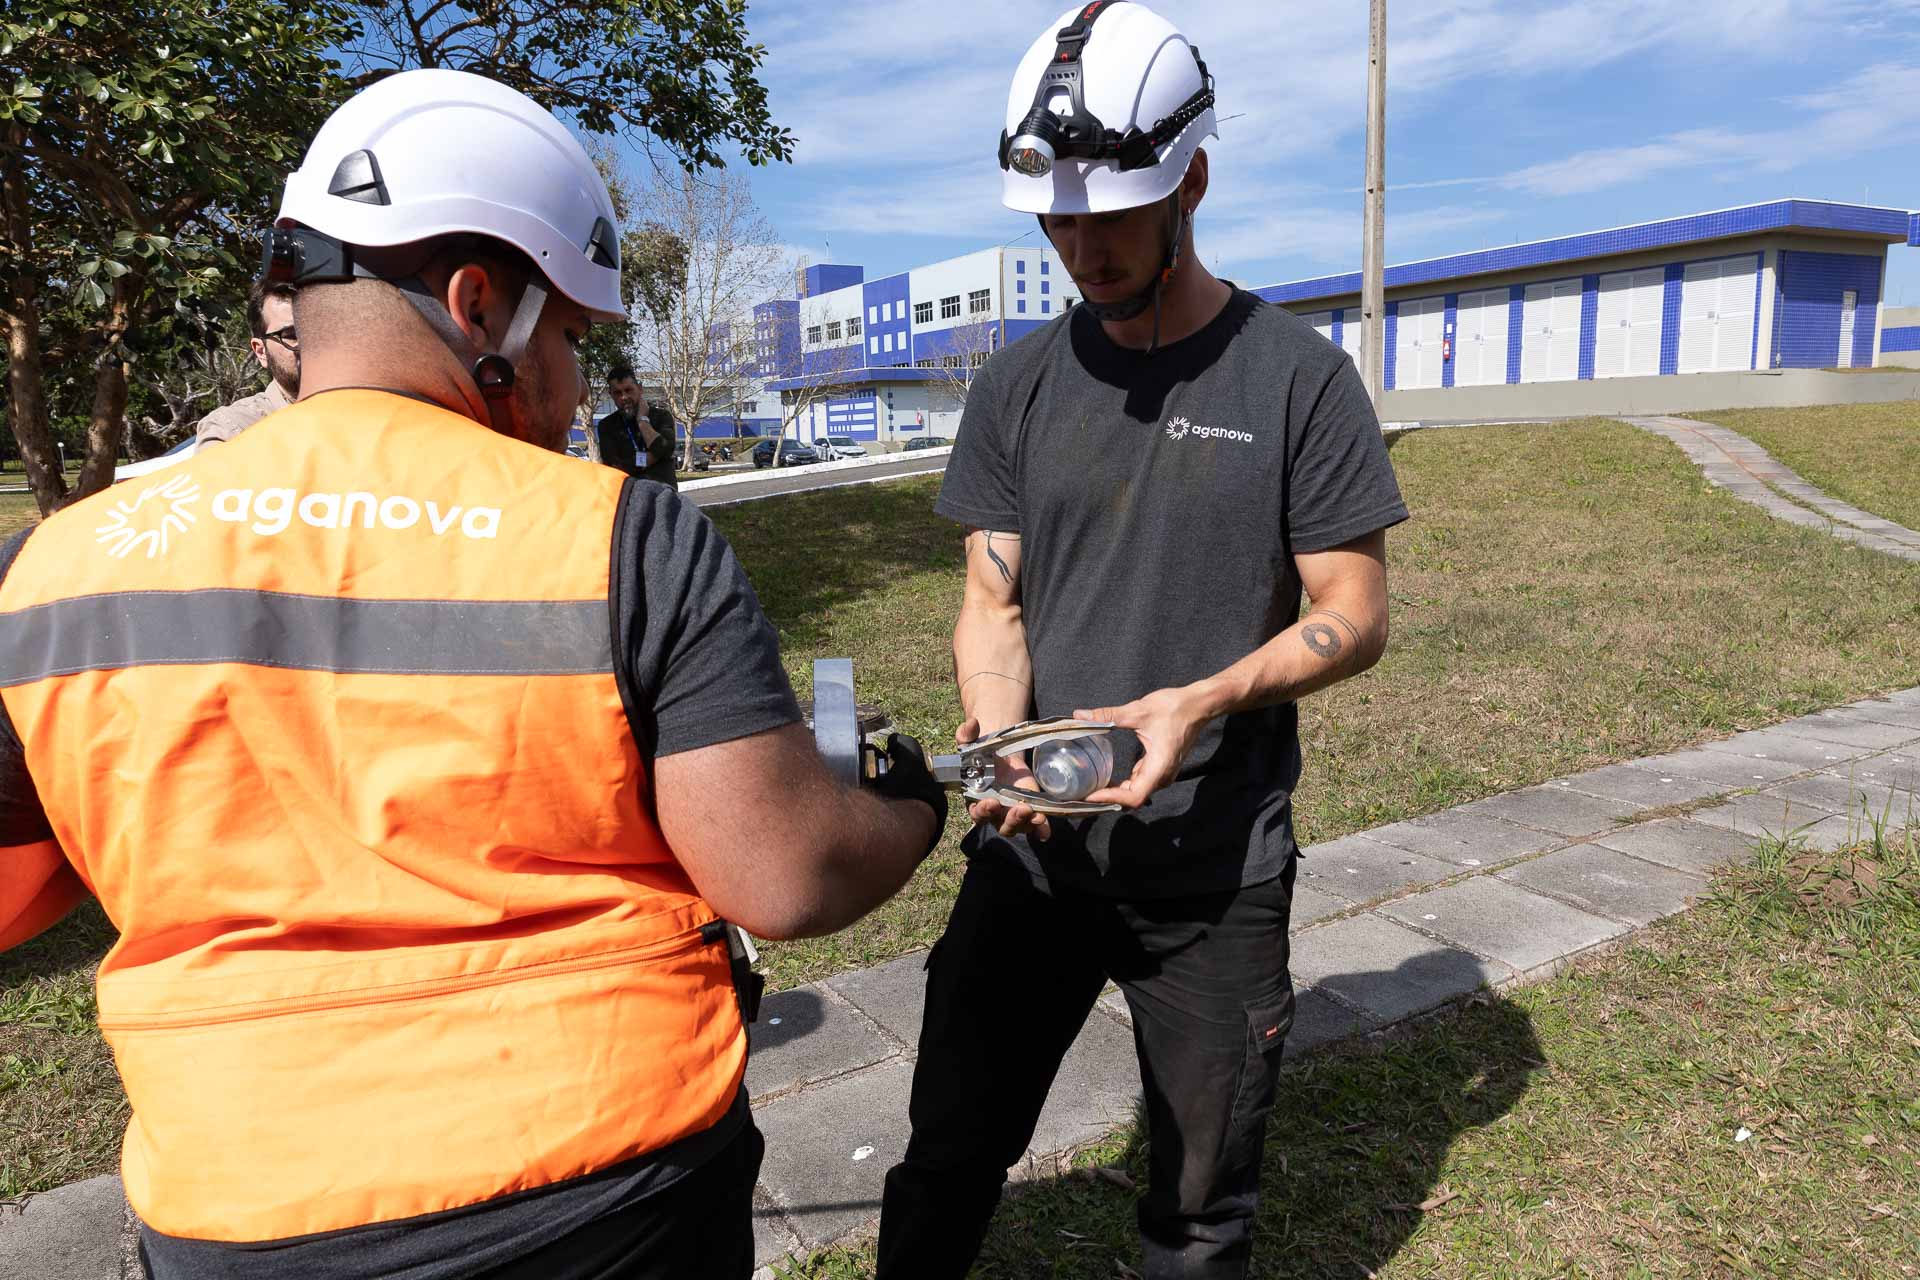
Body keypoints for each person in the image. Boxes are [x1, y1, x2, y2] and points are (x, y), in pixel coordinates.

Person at [0, 68, 945, 1279]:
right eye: (566, 331)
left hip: (234, 1207)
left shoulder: (54, 568)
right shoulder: (618, 535)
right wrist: (911, 807)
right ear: (477, 300)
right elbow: (784, 871)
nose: (568, 382)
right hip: (607, 1189)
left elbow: (18, 895)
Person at [876, 5, 1409, 1278]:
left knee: (1197, 1208)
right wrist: (1004, 734)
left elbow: (1356, 611)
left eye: (1111, 214)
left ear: (1195, 180)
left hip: (1212, 870)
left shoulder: (1297, 380)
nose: (1081, 244)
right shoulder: (1015, 386)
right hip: (1039, 855)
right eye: (1059, 218)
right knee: (947, 1150)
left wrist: (1207, 696)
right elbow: (991, 603)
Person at [194, 277, 300, 447]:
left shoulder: (355, 410)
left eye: (320, 331)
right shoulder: (233, 430)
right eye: (292, 335)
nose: (311, 344)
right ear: (261, 351)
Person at [595, 364, 678, 489]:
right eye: (618, 393)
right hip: (630, 498)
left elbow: (665, 449)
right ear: (611, 395)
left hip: (664, 493)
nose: (624, 397)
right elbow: (614, 468)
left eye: (628, 390)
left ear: (640, 388)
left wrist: (642, 421)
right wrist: (652, 457)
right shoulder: (606, 426)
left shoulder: (662, 416)